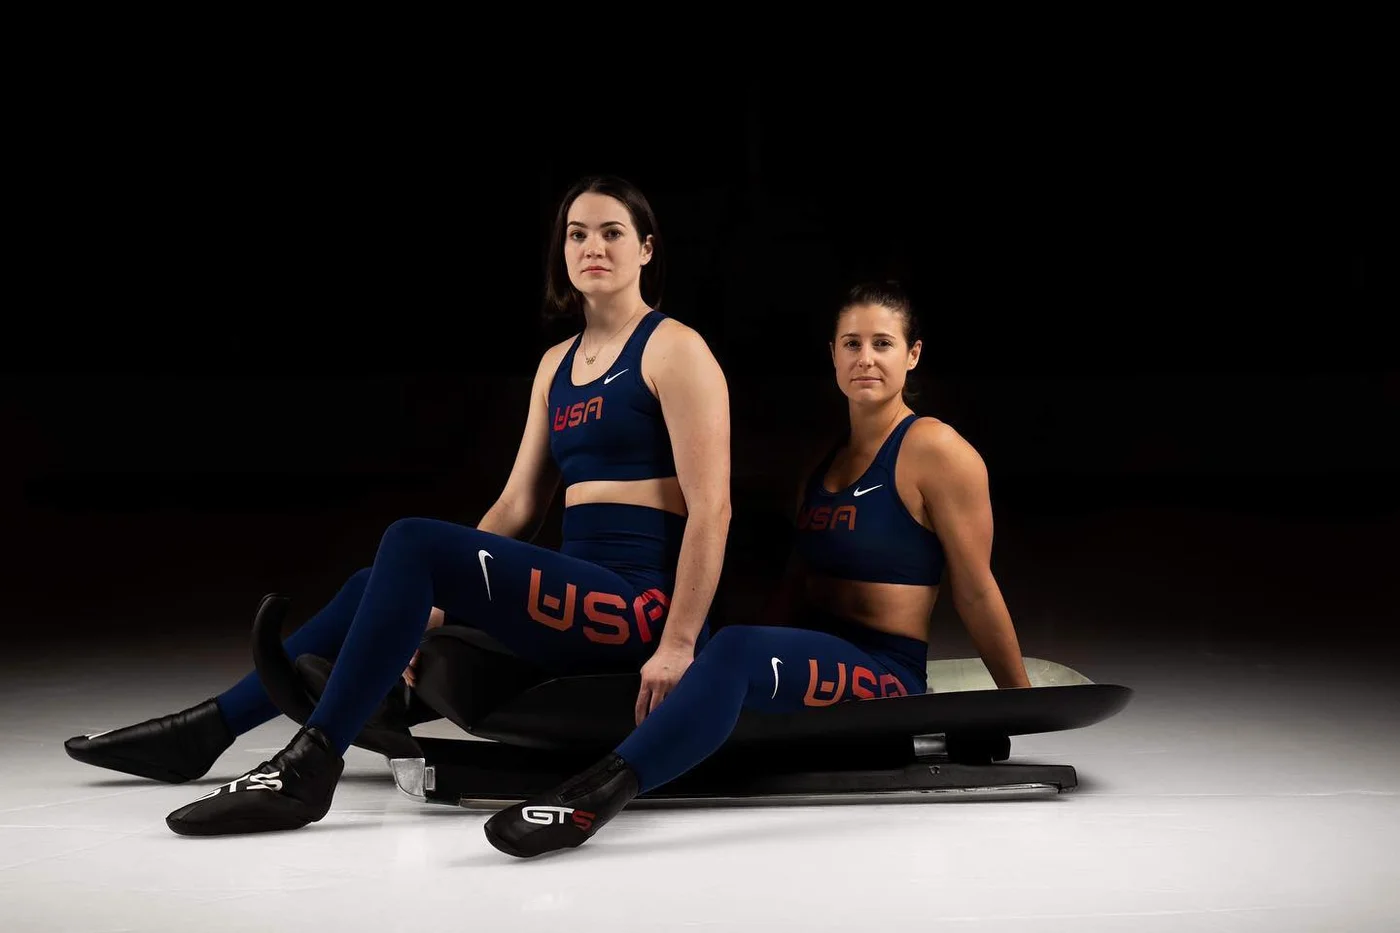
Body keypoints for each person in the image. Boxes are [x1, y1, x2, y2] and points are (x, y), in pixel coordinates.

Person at [64, 175, 733, 836]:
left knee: (412, 542)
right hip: (583, 591)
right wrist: (440, 598)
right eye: (577, 234)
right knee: (378, 582)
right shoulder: (557, 365)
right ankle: (205, 730)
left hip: (640, 607)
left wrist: (677, 644)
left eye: (612, 232)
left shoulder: (675, 349)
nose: (593, 247)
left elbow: (714, 509)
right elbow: (518, 504)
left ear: (646, 248)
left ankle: (308, 768)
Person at [483, 280, 1032, 858]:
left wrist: (1020, 704)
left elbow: (976, 590)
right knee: (720, 644)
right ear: (833, 355)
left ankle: (594, 797)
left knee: (733, 648)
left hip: (885, 674)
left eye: (883, 343)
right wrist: (726, 662)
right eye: (851, 344)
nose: (865, 358)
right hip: (820, 658)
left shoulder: (937, 450)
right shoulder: (821, 464)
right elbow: (795, 587)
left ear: (912, 354)